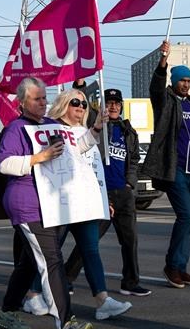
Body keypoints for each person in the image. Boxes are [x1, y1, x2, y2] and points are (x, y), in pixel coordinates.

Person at [0, 77, 96, 329]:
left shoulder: (53, 125)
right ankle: (65, 323)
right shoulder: (15, 129)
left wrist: (96, 130)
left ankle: (6, 312)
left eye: (44, 98)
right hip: (27, 203)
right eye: (37, 99)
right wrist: (38, 157)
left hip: (51, 202)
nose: (43, 103)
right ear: (22, 102)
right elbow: (5, 164)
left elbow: (77, 149)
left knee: (30, 262)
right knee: (51, 258)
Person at [48, 88, 131, 321]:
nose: (81, 106)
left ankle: (102, 300)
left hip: (84, 203)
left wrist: (104, 200)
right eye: (76, 101)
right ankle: (34, 293)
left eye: (84, 103)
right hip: (61, 203)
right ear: (64, 103)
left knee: (91, 250)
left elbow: (94, 168)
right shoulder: (51, 129)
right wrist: (94, 130)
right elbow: (72, 150)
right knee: (52, 254)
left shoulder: (84, 132)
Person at [63, 87, 150, 297]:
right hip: (101, 193)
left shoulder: (129, 131)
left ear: (121, 106)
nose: (113, 106)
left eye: (117, 103)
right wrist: (81, 84)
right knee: (90, 241)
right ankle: (66, 279)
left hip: (124, 193)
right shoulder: (96, 126)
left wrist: (130, 184)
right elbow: (84, 104)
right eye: (109, 103)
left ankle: (130, 282)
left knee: (130, 241)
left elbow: (134, 160)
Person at [141, 40, 190, 289]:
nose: (186, 84)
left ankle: (181, 268)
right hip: (174, 168)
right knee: (186, 214)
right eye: (182, 80)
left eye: (189, 81)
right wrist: (163, 60)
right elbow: (156, 86)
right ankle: (171, 265)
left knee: (189, 221)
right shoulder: (165, 100)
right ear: (175, 81)